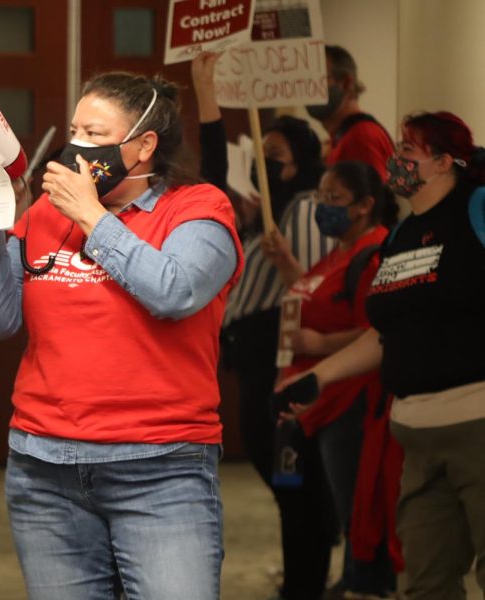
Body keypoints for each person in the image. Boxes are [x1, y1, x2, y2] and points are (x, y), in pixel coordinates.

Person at [0, 71, 243, 599]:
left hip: (159, 470)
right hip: (44, 470)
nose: (77, 146)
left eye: (95, 133)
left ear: (143, 147)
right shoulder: (46, 214)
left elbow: (173, 292)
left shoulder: (199, 211)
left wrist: (90, 215)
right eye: (74, 130)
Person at [274, 111, 485, 599]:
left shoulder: (474, 209)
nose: (394, 162)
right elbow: (383, 332)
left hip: (475, 426)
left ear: (443, 163)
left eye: (407, 152)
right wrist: (317, 378)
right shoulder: (400, 236)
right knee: (426, 579)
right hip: (414, 434)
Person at [192, 52, 337, 600]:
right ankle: (304, 577)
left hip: (280, 369)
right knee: (286, 485)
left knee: (295, 485)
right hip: (252, 366)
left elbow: (312, 293)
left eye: (274, 156)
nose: (263, 165)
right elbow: (212, 174)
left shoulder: (300, 213)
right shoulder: (261, 216)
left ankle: (307, 582)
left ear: (298, 165)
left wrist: (280, 261)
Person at [268, 161, 401, 599]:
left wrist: (318, 343)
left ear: (365, 206)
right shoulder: (337, 252)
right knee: (299, 502)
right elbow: (313, 295)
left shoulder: (373, 253)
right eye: (321, 197)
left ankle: (362, 583)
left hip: (344, 402)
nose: (324, 207)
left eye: (334, 199)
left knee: (354, 507)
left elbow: (374, 330)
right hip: (304, 402)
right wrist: (286, 262)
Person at [307, 45, 394, 180]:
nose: (309, 88)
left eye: (318, 80)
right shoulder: (340, 138)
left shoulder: (361, 138)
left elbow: (374, 198)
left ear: (346, 83)